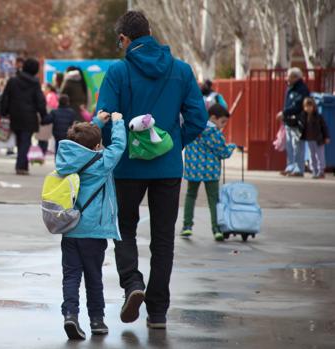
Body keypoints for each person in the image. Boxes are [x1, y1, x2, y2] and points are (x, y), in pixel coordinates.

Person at [96, 11, 207, 329]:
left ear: (124, 39)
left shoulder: (118, 71)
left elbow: (105, 119)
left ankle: (133, 284)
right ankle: (157, 313)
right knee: (163, 239)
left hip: (128, 168)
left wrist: (117, 148)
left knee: (123, 229)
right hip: (168, 168)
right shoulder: (181, 70)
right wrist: (172, 144)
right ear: (150, 33)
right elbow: (198, 119)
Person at [55, 111, 126, 340]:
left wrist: (95, 123)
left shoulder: (67, 159)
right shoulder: (101, 162)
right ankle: (97, 320)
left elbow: (81, 142)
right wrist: (117, 122)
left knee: (71, 277)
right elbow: (119, 146)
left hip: (70, 229)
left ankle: (70, 315)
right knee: (94, 277)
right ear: (97, 146)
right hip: (94, 233)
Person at [181, 104, 236, 241]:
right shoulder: (215, 134)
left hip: (193, 170)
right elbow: (223, 152)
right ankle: (216, 228)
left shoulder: (195, 128)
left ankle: (187, 226)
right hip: (210, 172)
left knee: (190, 195)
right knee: (213, 199)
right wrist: (232, 147)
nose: (222, 126)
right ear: (213, 118)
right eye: (222, 122)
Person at [1, 58, 47, 175]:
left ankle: (23, 165)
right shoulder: (35, 83)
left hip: (15, 115)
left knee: (20, 140)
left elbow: (5, 97)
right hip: (29, 116)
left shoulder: (13, 80)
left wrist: (4, 112)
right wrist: (43, 115)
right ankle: (21, 166)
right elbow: (40, 101)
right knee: (25, 141)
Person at [277, 68, 310, 177]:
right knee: (289, 145)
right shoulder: (290, 88)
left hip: (298, 122)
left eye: (289, 76)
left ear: (296, 77)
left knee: (298, 146)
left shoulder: (302, 89)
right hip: (289, 121)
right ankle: (290, 166)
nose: (287, 78)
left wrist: (284, 112)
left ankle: (298, 169)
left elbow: (298, 105)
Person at [300, 97, 330, 179]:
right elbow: (302, 127)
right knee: (312, 156)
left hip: (318, 140)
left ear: (314, 107)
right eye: (306, 106)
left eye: (310, 106)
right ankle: (314, 171)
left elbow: (324, 127)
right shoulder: (304, 117)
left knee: (319, 156)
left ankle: (321, 171)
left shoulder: (318, 116)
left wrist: (326, 137)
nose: (308, 108)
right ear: (304, 107)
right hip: (309, 140)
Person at [37, 83, 58, 156]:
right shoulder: (52, 95)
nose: (43, 90)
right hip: (48, 118)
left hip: (47, 118)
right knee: (44, 136)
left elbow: (49, 107)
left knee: (43, 136)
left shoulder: (50, 96)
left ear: (48, 88)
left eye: (44, 88)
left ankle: (42, 151)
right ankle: (43, 151)